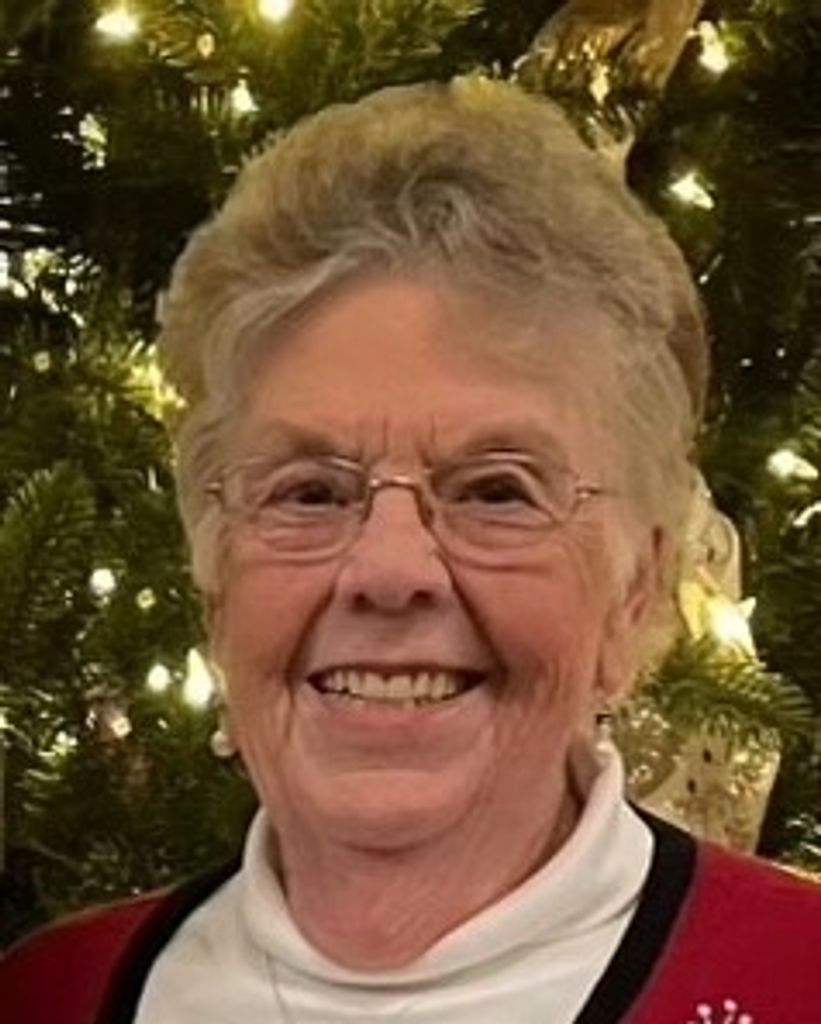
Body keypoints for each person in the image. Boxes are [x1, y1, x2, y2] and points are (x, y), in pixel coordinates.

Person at [3, 77, 820, 1024]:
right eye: (309, 492)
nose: (389, 573)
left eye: (495, 492)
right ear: (215, 576)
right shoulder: (53, 995)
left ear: (633, 589)